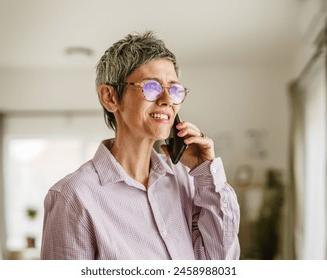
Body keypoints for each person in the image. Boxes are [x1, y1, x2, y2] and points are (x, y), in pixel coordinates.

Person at [40, 31, 240, 260]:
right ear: (111, 97)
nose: (166, 100)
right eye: (152, 87)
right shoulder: (72, 197)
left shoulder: (186, 178)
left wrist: (207, 173)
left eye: (174, 89)